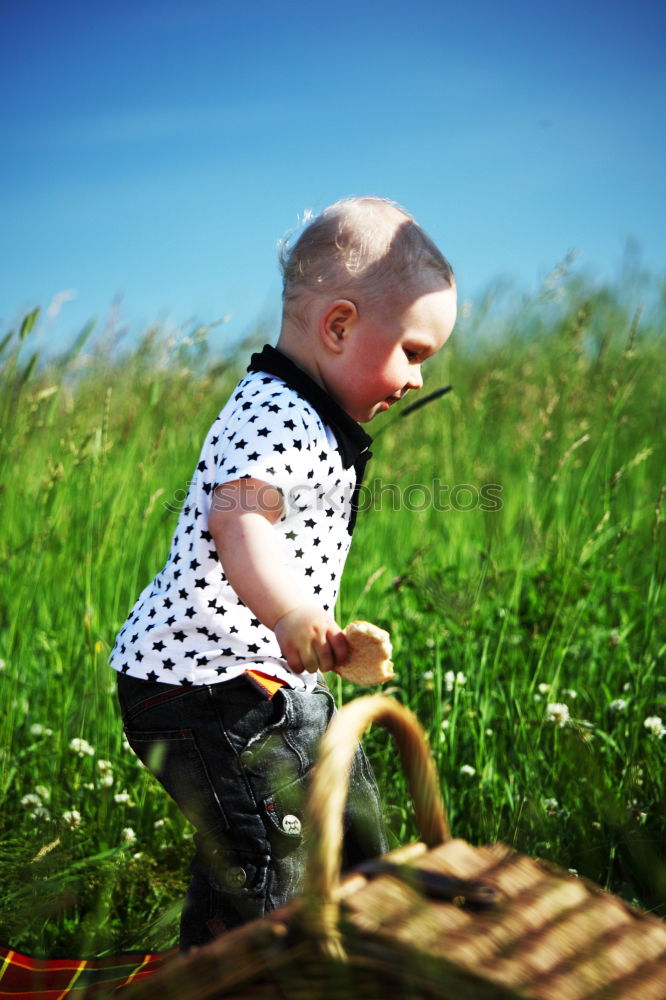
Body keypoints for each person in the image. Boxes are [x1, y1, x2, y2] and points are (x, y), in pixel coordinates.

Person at [110, 197, 457, 949]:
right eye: (414, 353)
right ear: (338, 327)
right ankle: (268, 967)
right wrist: (293, 617)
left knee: (341, 823)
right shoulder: (274, 411)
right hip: (205, 688)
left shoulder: (307, 414)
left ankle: (313, 949)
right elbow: (241, 523)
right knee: (275, 861)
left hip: (258, 683)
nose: (418, 381)